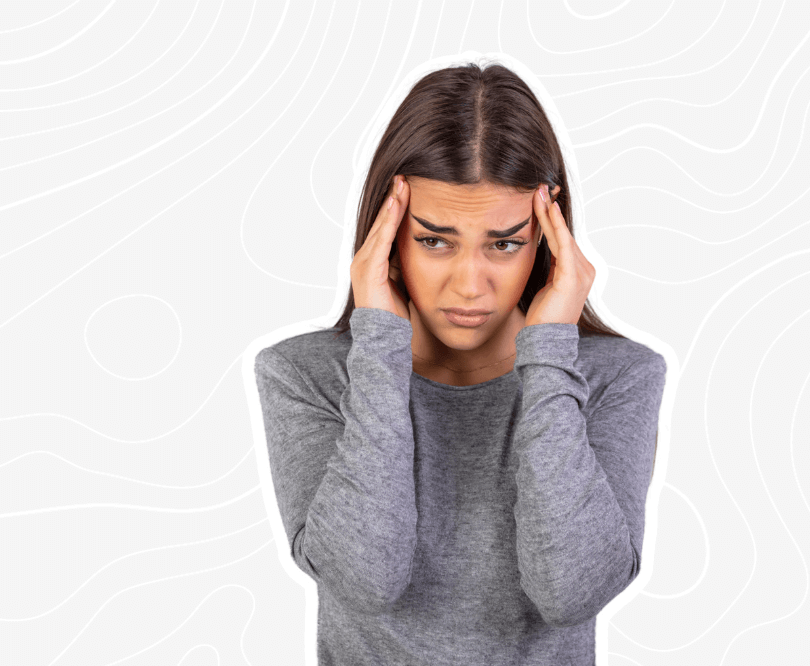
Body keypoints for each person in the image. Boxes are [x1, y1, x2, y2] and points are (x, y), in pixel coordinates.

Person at [253, 62, 667, 665]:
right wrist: (378, 345)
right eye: (434, 240)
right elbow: (368, 580)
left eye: (503, 243)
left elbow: (570, 591)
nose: (470, 285)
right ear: (386, 238)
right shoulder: (305, 376)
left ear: (548, 244)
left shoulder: (616, 378)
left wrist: (551, 350)